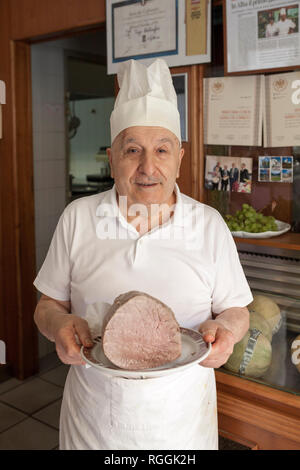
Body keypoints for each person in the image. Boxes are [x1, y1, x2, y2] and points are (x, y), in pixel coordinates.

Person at [33, 59, 252, 450]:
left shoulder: (209, 224)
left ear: (180, 159)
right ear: (112, 157)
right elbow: (47, 304)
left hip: (182, 423)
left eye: (162, 150)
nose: (148, 167)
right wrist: (58, 325)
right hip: (93, 422)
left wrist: (229, 334)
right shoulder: (79, 218)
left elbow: (236, 309)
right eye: (132, 149)